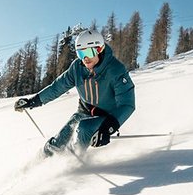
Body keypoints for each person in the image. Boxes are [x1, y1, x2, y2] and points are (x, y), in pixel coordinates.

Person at [14, 29, 136, 157]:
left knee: (84, 129)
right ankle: (39, 162)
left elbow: (127, 104)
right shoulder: (77, 68)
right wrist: (34, 101)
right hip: (84, 111)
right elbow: (57, 87)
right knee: (59, 140)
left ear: (99, 49)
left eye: (89, 52)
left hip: (107, 117)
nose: (85, 59)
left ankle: (72, 163)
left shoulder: (115, 70)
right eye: (81, 54)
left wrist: (108, 127)